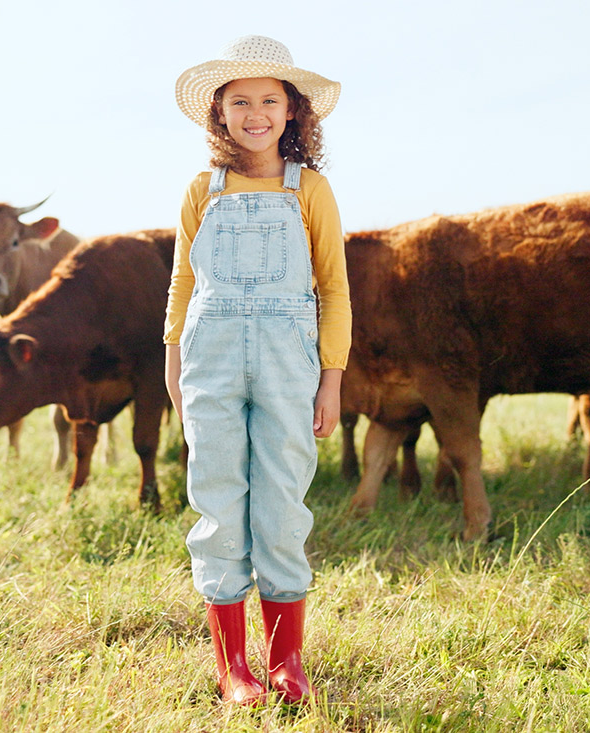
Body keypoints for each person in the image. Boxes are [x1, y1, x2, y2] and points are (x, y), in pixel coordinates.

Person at [164, 35, 350, 706]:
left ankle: (287, 662)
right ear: (219, 111)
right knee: (218, 503)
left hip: (288, 365)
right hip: (209, 363)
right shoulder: (201, 190)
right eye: (240, 102)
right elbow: (183, 285)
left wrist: (331, 379)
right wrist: (173, 366)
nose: (255, 114)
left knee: (281, 506)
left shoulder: (310, 189)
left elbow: (334, 289)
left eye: (269, 100)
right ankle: (233, 667)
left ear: (293, 110)